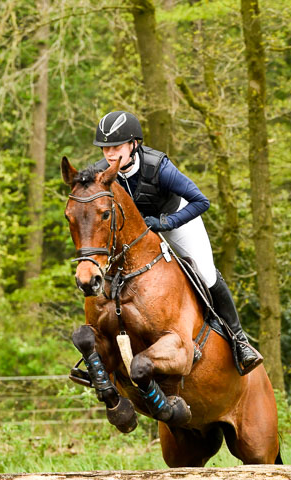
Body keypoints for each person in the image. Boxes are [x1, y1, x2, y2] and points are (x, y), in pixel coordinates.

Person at [91, 110, 263, 375]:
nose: (109, 155)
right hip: (137, 234)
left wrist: (166, 223)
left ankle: (239, 341)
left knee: (205, 274)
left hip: (176, 220)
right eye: (105, 149)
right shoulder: (102, 172)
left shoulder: (158, 167)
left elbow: (201, 201)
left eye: (115, 147)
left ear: (134, 144)